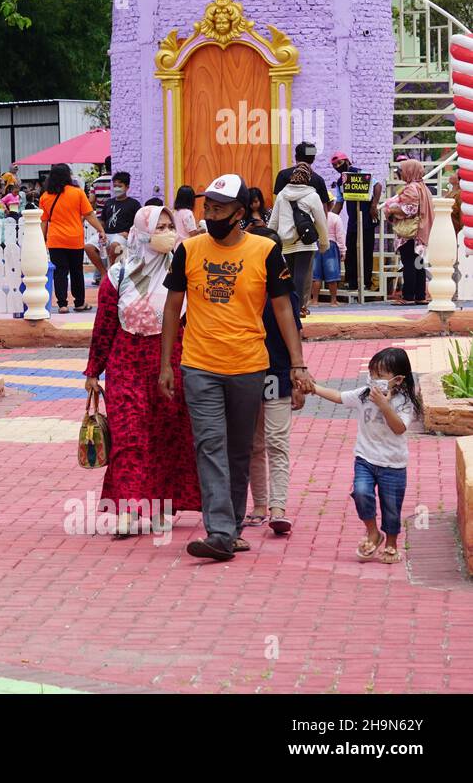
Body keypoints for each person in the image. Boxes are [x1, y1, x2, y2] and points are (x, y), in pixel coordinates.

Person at [160, 174, 313, 562]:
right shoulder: (189, 250)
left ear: (240, 213)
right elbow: (171, 307)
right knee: (209, 446)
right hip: (199, 364)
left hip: (249, 366)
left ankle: (233, 526)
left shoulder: (265, 250)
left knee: (238, 450)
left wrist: (297, 363)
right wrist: (166, 364)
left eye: (218, 208)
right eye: (207, 207)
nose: (210, 214)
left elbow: (283, 308)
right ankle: (220, 531)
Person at [83, 206, 199, 537]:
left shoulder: (180, 273)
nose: (165, 232)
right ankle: (128, 510)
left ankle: (163, 505)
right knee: (129, 436)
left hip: (168, 361)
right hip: (126, 363)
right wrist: (94, 371)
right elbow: (104, 326)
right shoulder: (118, 275)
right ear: (142, 231)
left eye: (168, 226)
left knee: (166, 435)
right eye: (158, 227)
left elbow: (192, 322)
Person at [309, 347, 418, 566]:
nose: (374, 379)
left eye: (380, 376)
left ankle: (391, 543)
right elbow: (339, 396)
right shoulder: (363, 395)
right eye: (372, 374)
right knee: (360, 492)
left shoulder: (405, 403)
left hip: (393, 463)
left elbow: (399, 428)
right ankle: (372, 533)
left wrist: (384, 405)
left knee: (391, 507)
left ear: (397, 379)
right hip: (365, 458)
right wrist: (313, 388)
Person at [244, 226, 304, 536]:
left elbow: (293, 332)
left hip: (278, 373)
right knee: (253, 444)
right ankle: (258, 505)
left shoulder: (285, 293)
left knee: (277, 442)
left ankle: (278, 507)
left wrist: (298, 373)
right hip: (245, 372)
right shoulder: (240, 288)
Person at [38, 163, 105, 314]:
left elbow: (43, 221)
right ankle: (79, 303)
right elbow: (88, 215)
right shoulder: (77, 193)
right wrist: (100, 229)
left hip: (55, 240)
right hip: (74, 239)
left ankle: (62, 305)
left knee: (60, 272)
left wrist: (42, 240)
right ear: (68, 176)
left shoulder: (45, 196)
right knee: (76, 271)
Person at [267, 164, 328, 317]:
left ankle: (291, 306)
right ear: (308, 178)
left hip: (286, 241)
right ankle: (299, 307)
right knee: (301, 274)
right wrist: (324, 242)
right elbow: (321, 222)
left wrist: (268, 239)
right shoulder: (312, 196)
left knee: (291, 274)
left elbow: (273, 221)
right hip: (305, 241)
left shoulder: (282, 195)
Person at [330, 151, 382, 293]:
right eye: (334, 165)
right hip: (353, 220)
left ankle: (365, 282)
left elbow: (378, 186)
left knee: (366, 250)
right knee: (350, 250)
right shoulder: (341, 181)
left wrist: (374, 205)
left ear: (347, 161)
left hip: (366, 218)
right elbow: (339, 203)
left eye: (339, 163)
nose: (337, 167)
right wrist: (329, 218)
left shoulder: (361, 174)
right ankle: (351, 281)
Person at [386, 159, 433, 306]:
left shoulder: (411, 188)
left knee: (409, 264)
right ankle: (420, 295)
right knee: (418, 264)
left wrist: (391, 209)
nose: (400, 173)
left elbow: (409, 209)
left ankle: (408, 297)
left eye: (402, 170)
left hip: (410, 233)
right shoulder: (423, 188)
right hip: (420, 232)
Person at [312, 199, 346, 307]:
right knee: (332, 275)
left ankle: (314, 300)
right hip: (331, 246)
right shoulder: (335, 218)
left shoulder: (314, 217)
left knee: (315, 276)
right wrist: (342, 250)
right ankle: (333, 301)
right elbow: (340, 236)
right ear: (331, 204)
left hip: (316, 245)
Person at [100, 170, 140, 261]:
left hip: (122, 236)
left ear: (127, 187)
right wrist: (101, 232)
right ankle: (102, 272)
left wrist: (129, 233)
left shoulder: (134, 204)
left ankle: (111, 272)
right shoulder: (109, 202)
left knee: (114, 245)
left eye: (120, 186)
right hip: (106, 234)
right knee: (88, 246)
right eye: (115, 186)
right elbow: (102, 220)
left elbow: (139, 223)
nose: (116, 188)